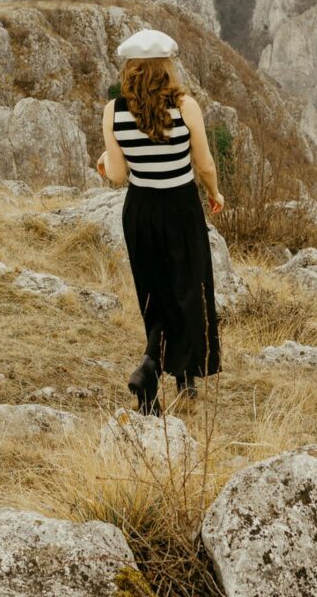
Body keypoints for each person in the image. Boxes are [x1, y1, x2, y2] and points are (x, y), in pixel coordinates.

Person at [96, 28, 225, 414]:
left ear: (130, 69)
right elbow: (204, 163)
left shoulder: (114, 110)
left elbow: (118, 176)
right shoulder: (185, 105)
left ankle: (151, 367)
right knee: (189, 288)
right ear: (167, 67)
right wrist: (215, 193)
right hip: (181, 208)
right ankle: (183, 378)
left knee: (154, 293)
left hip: (141, 212)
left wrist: (106, 160)